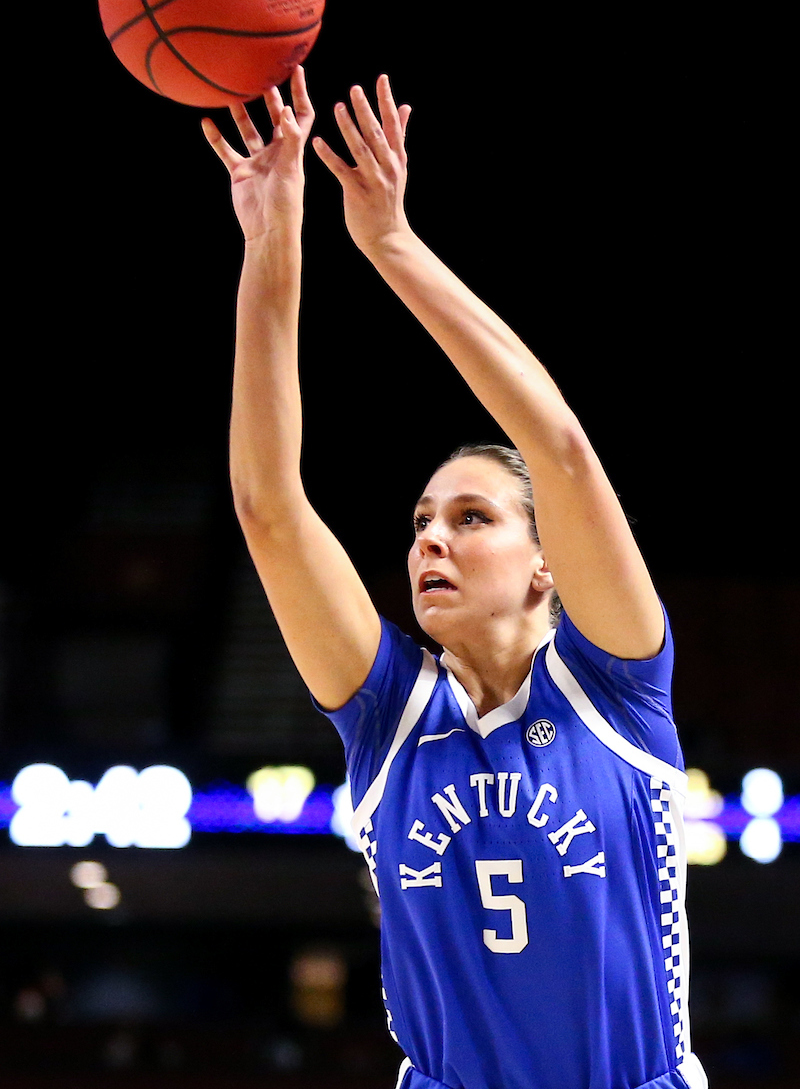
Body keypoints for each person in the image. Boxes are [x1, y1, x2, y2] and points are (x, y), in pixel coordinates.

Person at [202, 69, 708, 1089]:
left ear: (546, 563)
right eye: (421, 522)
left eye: (470, 519)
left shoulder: (613, 682)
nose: (430, 540)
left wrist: (388, 242)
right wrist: (272, 242)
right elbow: (267, 506)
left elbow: (555, 446)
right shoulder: (390, 712)